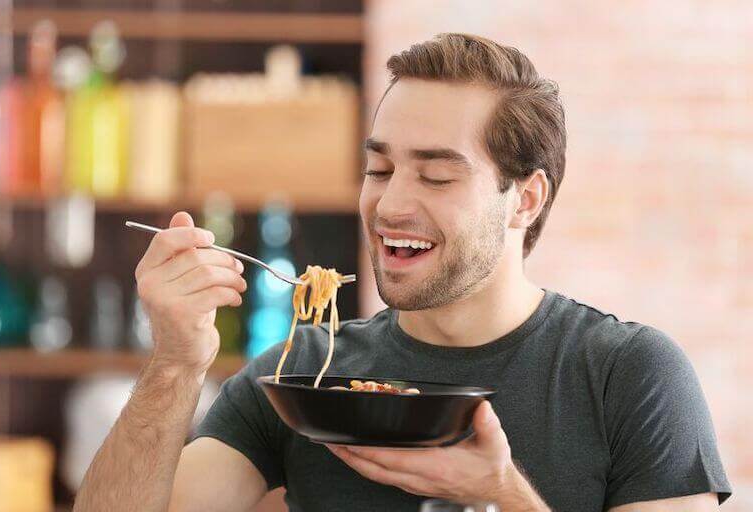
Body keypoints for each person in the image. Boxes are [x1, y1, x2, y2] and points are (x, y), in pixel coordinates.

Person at [73, 34, 731, 512]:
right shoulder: (304, 374)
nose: (389, 205)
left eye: (437, 175)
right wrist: (174, 365)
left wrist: (499, 496)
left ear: (524, 199)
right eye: (379, 169)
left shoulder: (628, 375)